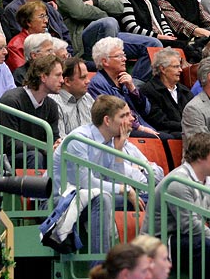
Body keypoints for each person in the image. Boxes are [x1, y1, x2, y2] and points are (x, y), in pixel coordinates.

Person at [52, 96, 146, 257]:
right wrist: (124, 189)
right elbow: (85, 183)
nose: (129, 120)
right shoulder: (79, 140)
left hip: (90, 198)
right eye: (123, 116)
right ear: (107, 120)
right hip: (63, 201)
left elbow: (116, 181)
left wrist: (118, 152)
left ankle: (147, 257)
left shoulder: (110, 141)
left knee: (149, 197)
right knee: (103, 199)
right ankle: (101, 267)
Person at [143, 133, 210, 279]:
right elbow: (190, 226)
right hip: (159, 241)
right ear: (200, 157)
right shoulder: (178, 182)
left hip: (184, 238)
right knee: (204, 246)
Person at [0, 55, 63, 168]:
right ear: (43, 77)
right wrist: (45, 147)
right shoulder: (12, 100)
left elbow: (53, 138)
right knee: (35, 156)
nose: (62, 80)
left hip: (35, 154)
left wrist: (56, 145)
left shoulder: (51, 105)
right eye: (58, 75)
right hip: (2, 159)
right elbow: (10, 144)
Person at [88, 37, 162, 138]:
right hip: (122, 131)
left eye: (124, 55)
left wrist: (133, 89)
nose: (124, 59)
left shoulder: (124, 80)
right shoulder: (97, 84)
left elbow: (146, 110)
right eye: (119, 56)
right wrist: (140, 128)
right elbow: (112, 115)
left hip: (140, 126)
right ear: (105, 61)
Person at [140, 47, 194, 138]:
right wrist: (188, 127)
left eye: (180, 66)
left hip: (188, 131)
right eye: (176, 67)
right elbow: (160, 122)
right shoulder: (149, 91)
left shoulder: (184, 91)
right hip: (170, 135)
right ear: (163, 69)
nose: (180, 70)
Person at [49, 57, 94, 137]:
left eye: (87, 76)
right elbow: (61, 141)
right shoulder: (54, 103)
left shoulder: (87, 98)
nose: (88, 81)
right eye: (83, 77)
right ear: (67, 81)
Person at [6, 1, 49, 72]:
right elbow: (23, 74)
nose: (46, 21)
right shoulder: (16, 46)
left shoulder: (47, 40)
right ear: (28, 22)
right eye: (41, 16)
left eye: (46, 16)